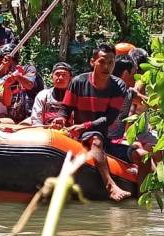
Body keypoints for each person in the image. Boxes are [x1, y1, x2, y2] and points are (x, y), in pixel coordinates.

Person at [51, 43, 132, 201]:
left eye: (111, 62)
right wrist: (61, 118)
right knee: (95, 139)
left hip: (103, 135)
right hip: (84, 136)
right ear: (92, 62)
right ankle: (111, 187)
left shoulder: (119, 86)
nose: (106, 66)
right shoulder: (78, 82)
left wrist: (84, 125)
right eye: (102, 62)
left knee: (140, 153)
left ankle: (147, 198)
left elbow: (108, 119)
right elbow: (65, 108)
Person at [108, 55, 164, 185]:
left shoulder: (126, 90)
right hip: (116, 140)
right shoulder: (127, 91)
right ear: (126, 73)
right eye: (134, 73)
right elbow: (131, 113)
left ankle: (158, 178)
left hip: (117, 138)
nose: (137, 77)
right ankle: (163, 186)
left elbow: (150, 103)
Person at [0, 44, 45, 123]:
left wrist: (17, 76)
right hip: (9, 120)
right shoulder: (0, 77)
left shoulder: (28, 69)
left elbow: (29, 85)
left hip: (30, 118)